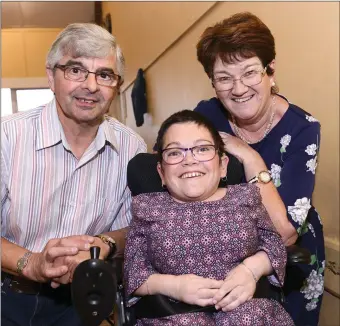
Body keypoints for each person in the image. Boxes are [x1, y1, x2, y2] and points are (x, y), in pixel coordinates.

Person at [1, 23, 146, 325]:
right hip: (8, 298)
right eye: (75, 70)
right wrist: (32, 263)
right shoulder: (6, 137)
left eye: (104, 75)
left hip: (83, 304)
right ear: (51, 77)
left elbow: (136, 227)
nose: (91, 86)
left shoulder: (132, 147)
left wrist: (104, 243)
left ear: (116, 85)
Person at [194, 12, 325, 325]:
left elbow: (286, 231)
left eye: (250, 73)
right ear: (213, 82)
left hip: (290, 266)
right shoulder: (205, 116)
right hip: (222, 258)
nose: (238, 89)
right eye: (224, 78)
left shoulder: (302, 129)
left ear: (270, 70)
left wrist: (249, 157)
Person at [124, 110, 294, 325]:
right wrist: (173, 286)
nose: (189, 161)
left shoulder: (246, 197)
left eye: (202, 149)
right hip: (174, 317)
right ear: (161, 172)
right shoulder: (148, 207)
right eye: (175, 153)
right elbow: (133, 273)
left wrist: (251, 269)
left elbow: (275, 246)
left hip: (251, 314)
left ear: (223, 166)